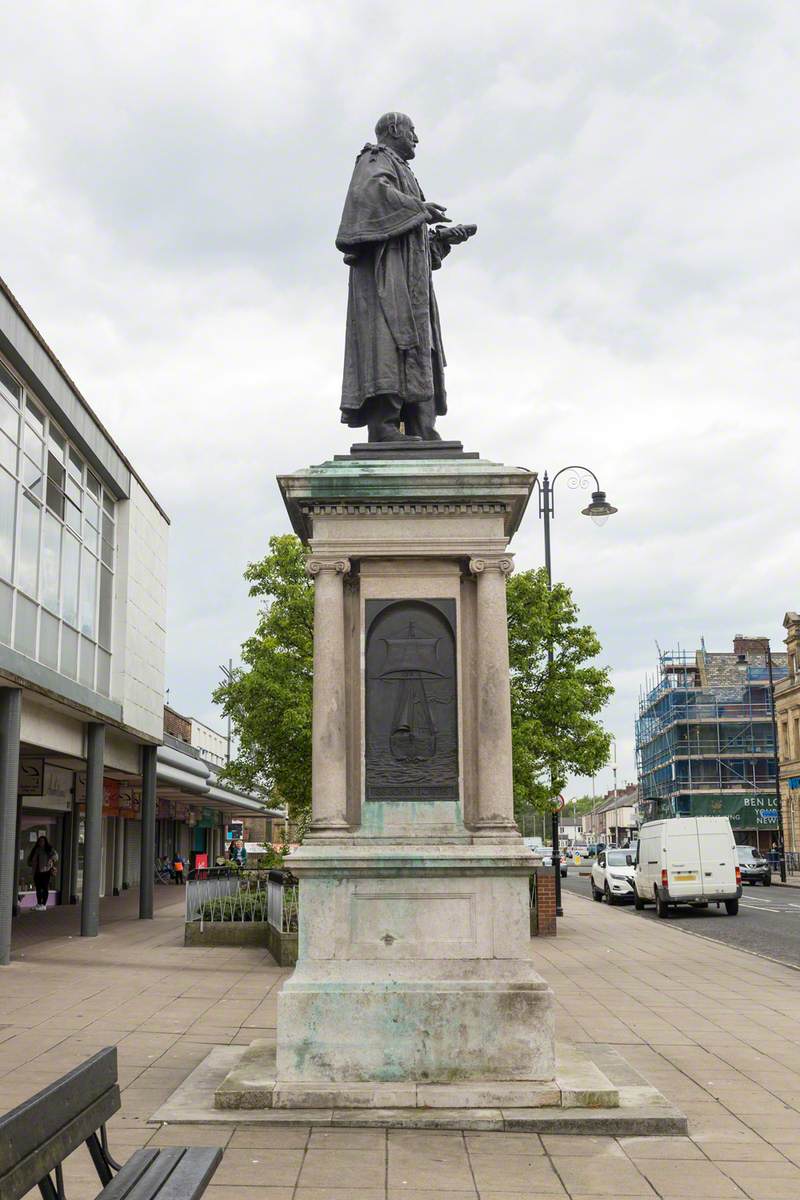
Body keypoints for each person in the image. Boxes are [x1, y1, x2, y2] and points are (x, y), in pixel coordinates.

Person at [336, 112, 476, 442]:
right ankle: (385, 426)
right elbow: (371, 197)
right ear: (396, 130)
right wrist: (419, 209)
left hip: (413, 281)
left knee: (422, 344)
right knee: (387, 341)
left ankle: (420, 425)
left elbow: (411, 237)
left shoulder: (403, 169)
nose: (417, 138)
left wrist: (440, 237)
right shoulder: (375, 159)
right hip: (387, 277)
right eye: (413, 131)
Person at [28, 835, 58, 910]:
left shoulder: (49, 849)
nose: (41, 842)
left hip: (46, 871)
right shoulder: (36, 849)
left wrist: (51, 860)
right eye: (40, 841)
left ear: (45, 842)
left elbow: (56, 856)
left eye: (42, 841)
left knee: (44, 888)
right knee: (38, 888)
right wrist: (30, 863)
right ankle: (38, 903)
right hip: (37, 871)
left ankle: (44, 904)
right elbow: (31, 858)